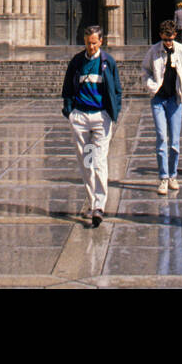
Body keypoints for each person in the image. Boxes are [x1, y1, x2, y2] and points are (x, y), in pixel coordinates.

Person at [61, 24, 122, 226]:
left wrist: (113, 111)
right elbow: (68, 87)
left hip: (100, 119)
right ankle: (92, 200)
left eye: (94, 43)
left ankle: (99, 205)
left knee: (99, 161)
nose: (91, 47)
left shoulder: (108, 62)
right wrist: (70, 112)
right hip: (80, 119)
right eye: (88, 43)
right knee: (87, 163)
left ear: (101, 41)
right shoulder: (77, 62)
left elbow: (117, 90)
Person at [141, 19, 182, 194]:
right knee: (161, 138)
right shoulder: (154, 51)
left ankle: (173, 175)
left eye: (171, 39)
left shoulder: (180, 51)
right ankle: (163, 178)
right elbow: (145, 72)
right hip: (159, 100)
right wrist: (153, 88)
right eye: (165, 39)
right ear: (160, 36)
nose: (168, 42)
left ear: (174, 36)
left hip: (174, 100)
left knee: (174, 141)